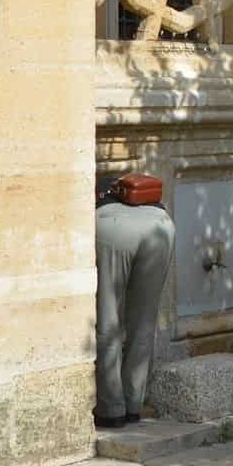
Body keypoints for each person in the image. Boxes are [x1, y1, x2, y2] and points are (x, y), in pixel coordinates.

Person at [94, 173, 174, 430]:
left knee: (109, 320)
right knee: (144, 320)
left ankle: (110, 410)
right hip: (161, 225)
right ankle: (133, 406)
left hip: (112, 227)